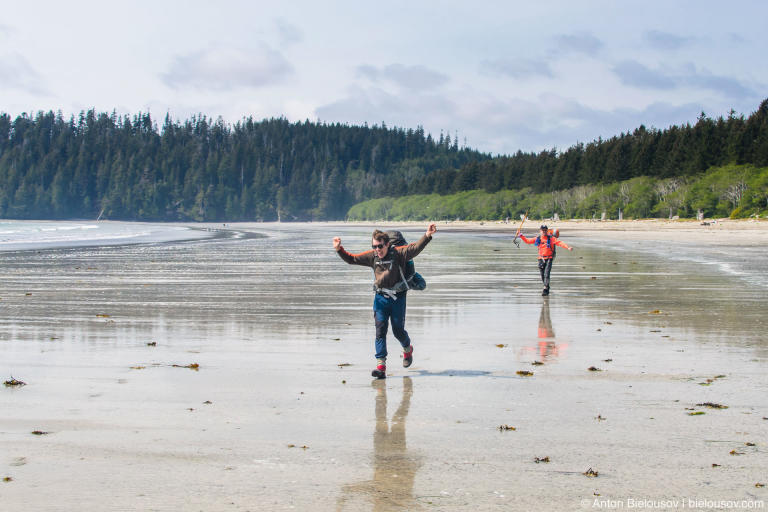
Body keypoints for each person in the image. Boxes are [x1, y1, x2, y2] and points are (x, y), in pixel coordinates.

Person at [333, 224, 437, 378]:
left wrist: (427, 235)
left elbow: (415, 248)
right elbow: (352, 259)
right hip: (380, 299)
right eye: (374, 246)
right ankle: (381, 366)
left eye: (380, 246)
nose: (377, 249)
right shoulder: (372, 256)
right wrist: (339, 249)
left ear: (387, 244)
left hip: (398, 298)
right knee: (380, 331)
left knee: (398, 331)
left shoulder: (399, 254)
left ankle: (407, 349)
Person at [516, 224, 573, 296]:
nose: (544, 232)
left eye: (545, 230)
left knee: (547, 273)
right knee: (542, 275)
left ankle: (545, 288)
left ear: (547, 230)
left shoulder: (551, 238)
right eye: (543, 230)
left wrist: (567, 247)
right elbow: (528, 241)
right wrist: (520, 235)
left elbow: (560, 243)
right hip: (541, 259)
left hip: (549, 258)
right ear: (540, 231)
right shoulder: (538, 238)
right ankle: (547, 286)